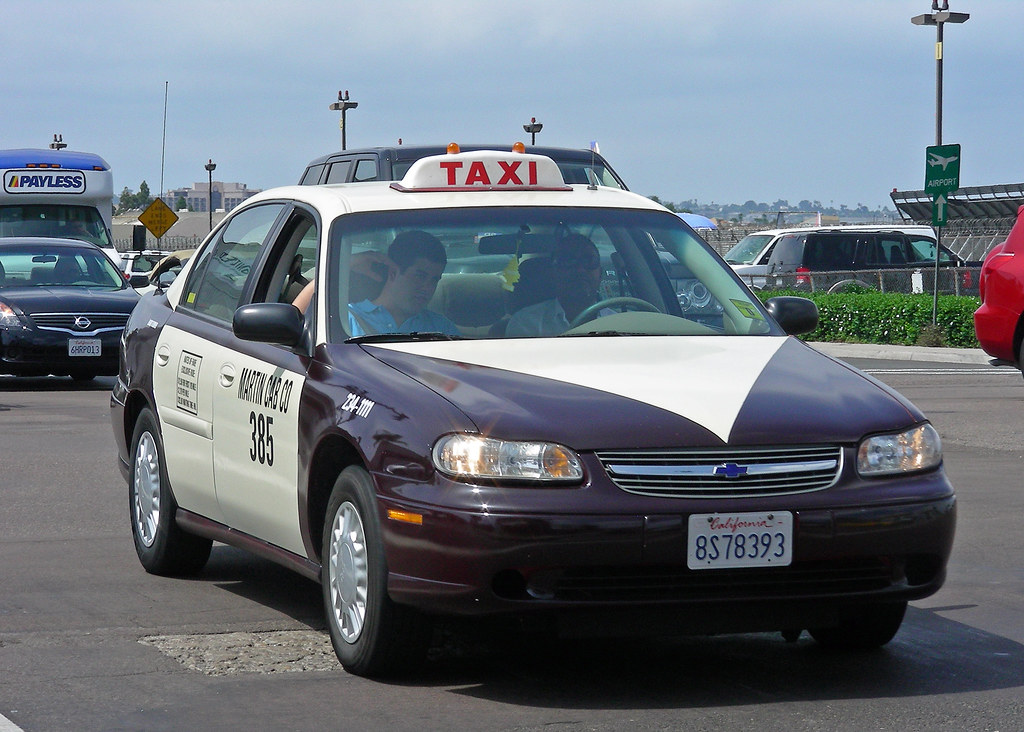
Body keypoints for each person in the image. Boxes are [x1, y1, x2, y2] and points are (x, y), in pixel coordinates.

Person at [293, 230, 459, 337]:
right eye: (420, 277)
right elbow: (294, 321)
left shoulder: (442, 328)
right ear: (393, 272)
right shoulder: (346, 318)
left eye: (434, 280)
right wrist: (345, 265)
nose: (427, 288)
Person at [505, 233, 606, 337]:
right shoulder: (527, 323)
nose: (580, 270)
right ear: (552, 274)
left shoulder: (617, 321)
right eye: (567, 261)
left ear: (601, 274)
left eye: (589, 260)